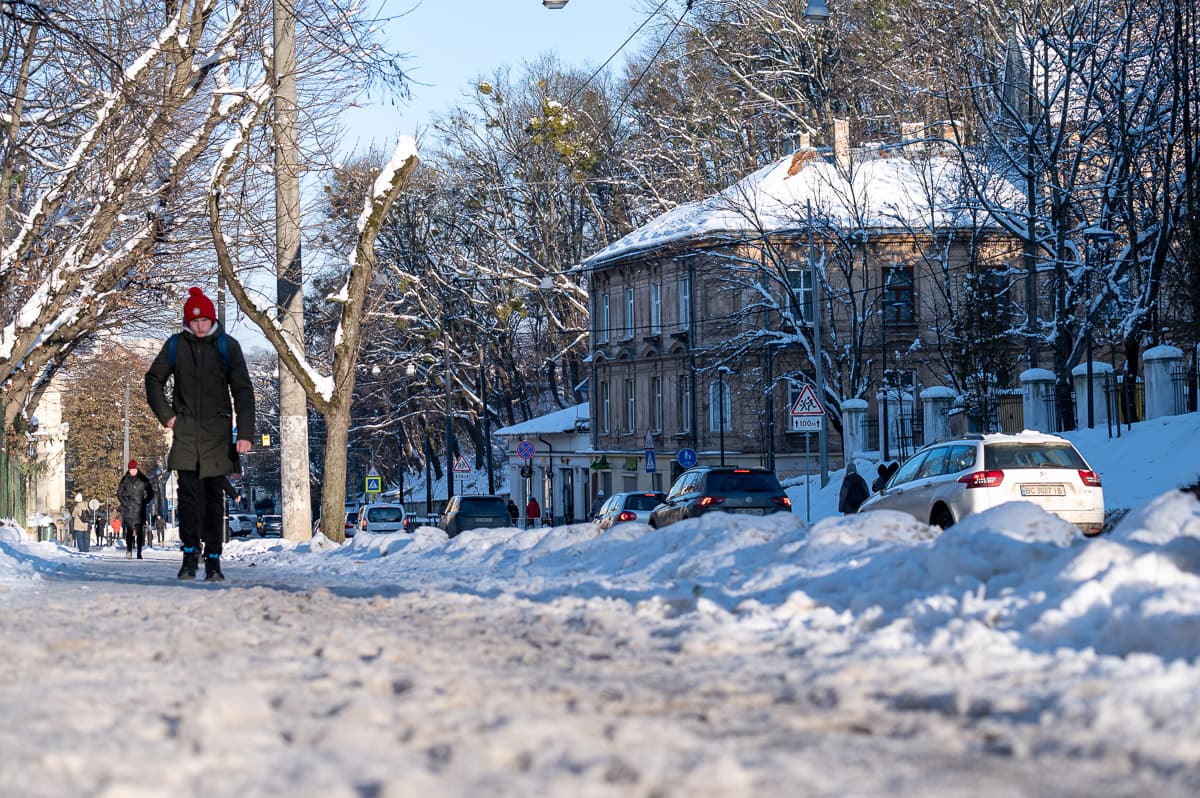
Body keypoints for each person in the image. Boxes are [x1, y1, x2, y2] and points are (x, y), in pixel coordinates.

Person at [145, 287, 255, 582]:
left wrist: (244, 432)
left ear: (212, 319)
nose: (200, 326)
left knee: (213, 498)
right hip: (186, 433)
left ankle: (214, 559)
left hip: (218, 434)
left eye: (205, 320)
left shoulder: (226, 346)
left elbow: (243, 389)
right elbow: (153, 380)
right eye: (194, 321)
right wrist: (167, 416)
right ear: (187, 322)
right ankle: (190, 554)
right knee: (189, 498)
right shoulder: (175, 346)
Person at [118, 459, 155, 559]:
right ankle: (129, 550)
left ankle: (139, 552)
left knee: (139, 531)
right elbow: (119, 493)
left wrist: (144, 502)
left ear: (137, 469)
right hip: (128, 508)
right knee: (129, 530)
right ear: (129, 470)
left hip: (139, 508)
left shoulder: (143, 479)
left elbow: (151, 493)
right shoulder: (125, 479)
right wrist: (125, 503)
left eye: (134, 469)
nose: (132, 471)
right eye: (131, 470)